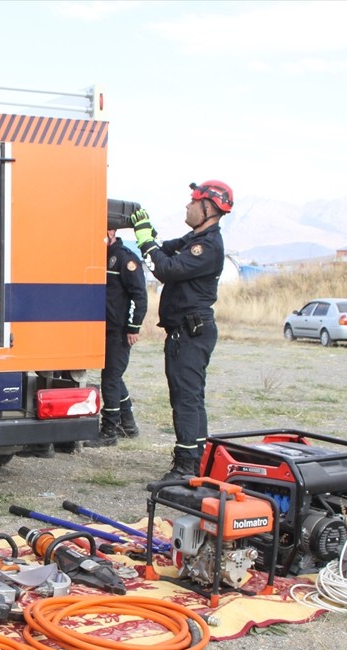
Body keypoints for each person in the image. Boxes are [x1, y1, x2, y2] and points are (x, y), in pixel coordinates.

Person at [128, 180, 233, 489]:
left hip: (190, 331)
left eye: (192, 202)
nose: (187, 207)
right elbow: (167, 250)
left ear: (208, 208)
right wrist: (151, 237)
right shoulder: (196, 239)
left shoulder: (208, 245)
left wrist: (145, 240)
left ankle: (187, 466)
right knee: (189, 397)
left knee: (186, 399)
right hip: (185, 331)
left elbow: (166, 268)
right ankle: (196, 460)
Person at [86, 224, 148, 447]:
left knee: (110, 378)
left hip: (120, 330)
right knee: (114, 375)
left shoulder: (125, 259)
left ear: (111, 232)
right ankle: (128, 425)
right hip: (105, 328)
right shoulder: (102, 256)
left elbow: (139, 295)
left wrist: (133, 327)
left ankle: (109, 430)